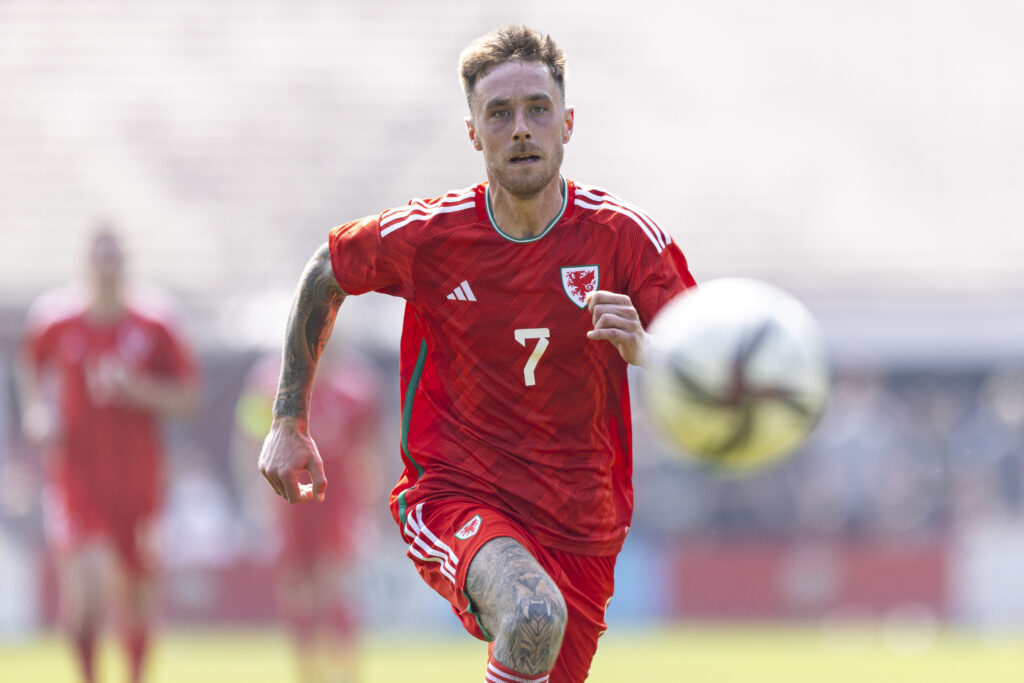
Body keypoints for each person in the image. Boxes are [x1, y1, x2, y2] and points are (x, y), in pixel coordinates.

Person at [258, 24, 696, 683]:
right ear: (474, 133)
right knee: (531, 615)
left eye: (537, 110)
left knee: (540, 650)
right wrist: (288, 421)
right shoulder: (432, 236)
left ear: (567, 124)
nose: (521, 128)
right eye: (500, 113)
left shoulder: (625, 238)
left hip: (583, 522)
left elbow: (708, 362)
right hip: (456, 494)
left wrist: (647, 348)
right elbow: (328, 270)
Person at [17, 226, 200, 683]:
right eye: (99, 260)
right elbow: (29, 366)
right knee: (90, 597)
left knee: (136, 599)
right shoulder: (56, 321)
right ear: (86, 265)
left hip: (138, 480)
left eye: (114, 260)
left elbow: (189, 395)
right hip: (78, 478)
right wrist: (38, 411)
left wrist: (137, 391)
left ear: (126, 265)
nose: (106, 269)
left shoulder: (156, 324)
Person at [233, 345, 381, 683]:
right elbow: (247, 439)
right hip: (289, 504)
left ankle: (346, 672)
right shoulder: (268, 386)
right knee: (297, 592)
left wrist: (370, 506)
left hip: (334, 503)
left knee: (334, 588)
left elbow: (368, 451)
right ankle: (308, 673)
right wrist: (252, 494)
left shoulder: (355, 392)